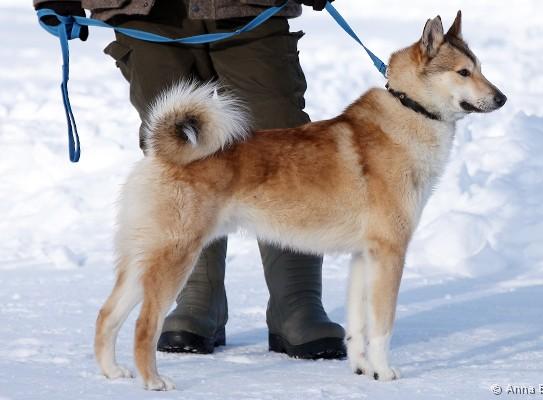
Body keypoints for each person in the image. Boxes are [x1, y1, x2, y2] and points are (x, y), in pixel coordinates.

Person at [34, 0, 346, 359]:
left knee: (281, 146)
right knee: (178, 145)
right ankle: (198, 299)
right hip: (145, 12)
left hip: (250, 8)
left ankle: (297, 302)